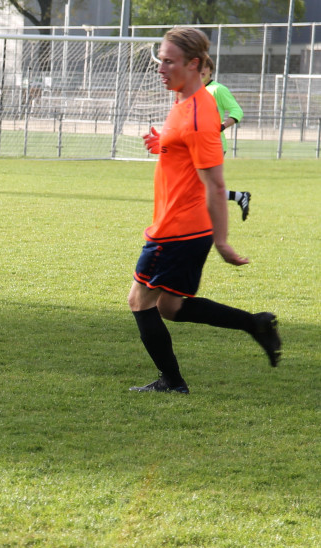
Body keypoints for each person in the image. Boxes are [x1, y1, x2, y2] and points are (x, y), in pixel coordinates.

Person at [128, 26, 279, 395]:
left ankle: (173, 383)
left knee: (139, 301)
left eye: (169, 61)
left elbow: (214, 184)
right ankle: (255, 324)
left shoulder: (197, 116)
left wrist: (223, 242)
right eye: (159, 60)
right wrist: (164, 145)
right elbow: (185, 146)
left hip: (178, 228)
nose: (160, 68)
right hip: (183, 226)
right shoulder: (186, 101)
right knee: (171, 307)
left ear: (194, 64)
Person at [202, 57, 251, 221]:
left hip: (214, 145)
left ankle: (207, 226)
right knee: (201, 188)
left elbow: (237, 111)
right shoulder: (191, 90)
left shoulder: (217, 89)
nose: (201, 70)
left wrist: (222, 126)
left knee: (202, 188)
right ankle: (240, 197)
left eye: (205, 67)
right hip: (196, 145)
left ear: (210, 70)